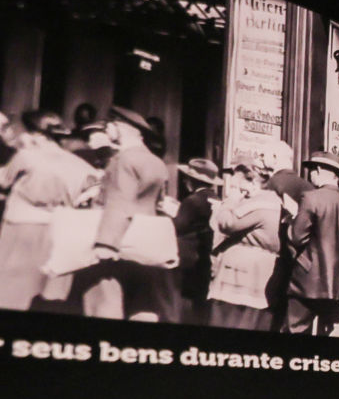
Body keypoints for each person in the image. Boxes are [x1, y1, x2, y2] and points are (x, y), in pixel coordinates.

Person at [81, 107, 175, 322]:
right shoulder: (155, 161)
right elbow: (156, 201)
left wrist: (105, 245)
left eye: (109, 125)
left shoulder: (122, 160)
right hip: (143, 244)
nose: (107, 130)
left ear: (120, 127)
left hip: (118, 244)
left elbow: (119, 204)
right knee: (141, 307)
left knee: (105, 305)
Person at [0, 114, 96, 309]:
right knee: (46, 291)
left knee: (12, 289)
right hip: (60, 231)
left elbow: (3, 181)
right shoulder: (80, 164)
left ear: (36, 134)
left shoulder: (27, 156)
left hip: (22, 228)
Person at [206, 156, 283, 332]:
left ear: (253, 180)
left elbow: (227, 223)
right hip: (259, 272)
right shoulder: (272, 200)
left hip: (244, 275)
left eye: (237, 183)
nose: (236, 188)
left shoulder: (259, 202)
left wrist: (230, 201)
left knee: (231, 321)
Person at [285, 153, 339, 334]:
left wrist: (289, 221)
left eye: (311, 171)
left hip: (307, 280)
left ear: (318, 170)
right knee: (328, 332)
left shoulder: (311, 198)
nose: (310, 175)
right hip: (338, 282)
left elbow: (297, 237)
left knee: (296, 330)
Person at [172, 158, 222, 324]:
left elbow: (178, 227)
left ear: (192, 181)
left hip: (189, 259)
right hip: (208, 257)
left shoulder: (192, 201)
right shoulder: (217, 199)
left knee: (186, 306)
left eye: (187, 178)